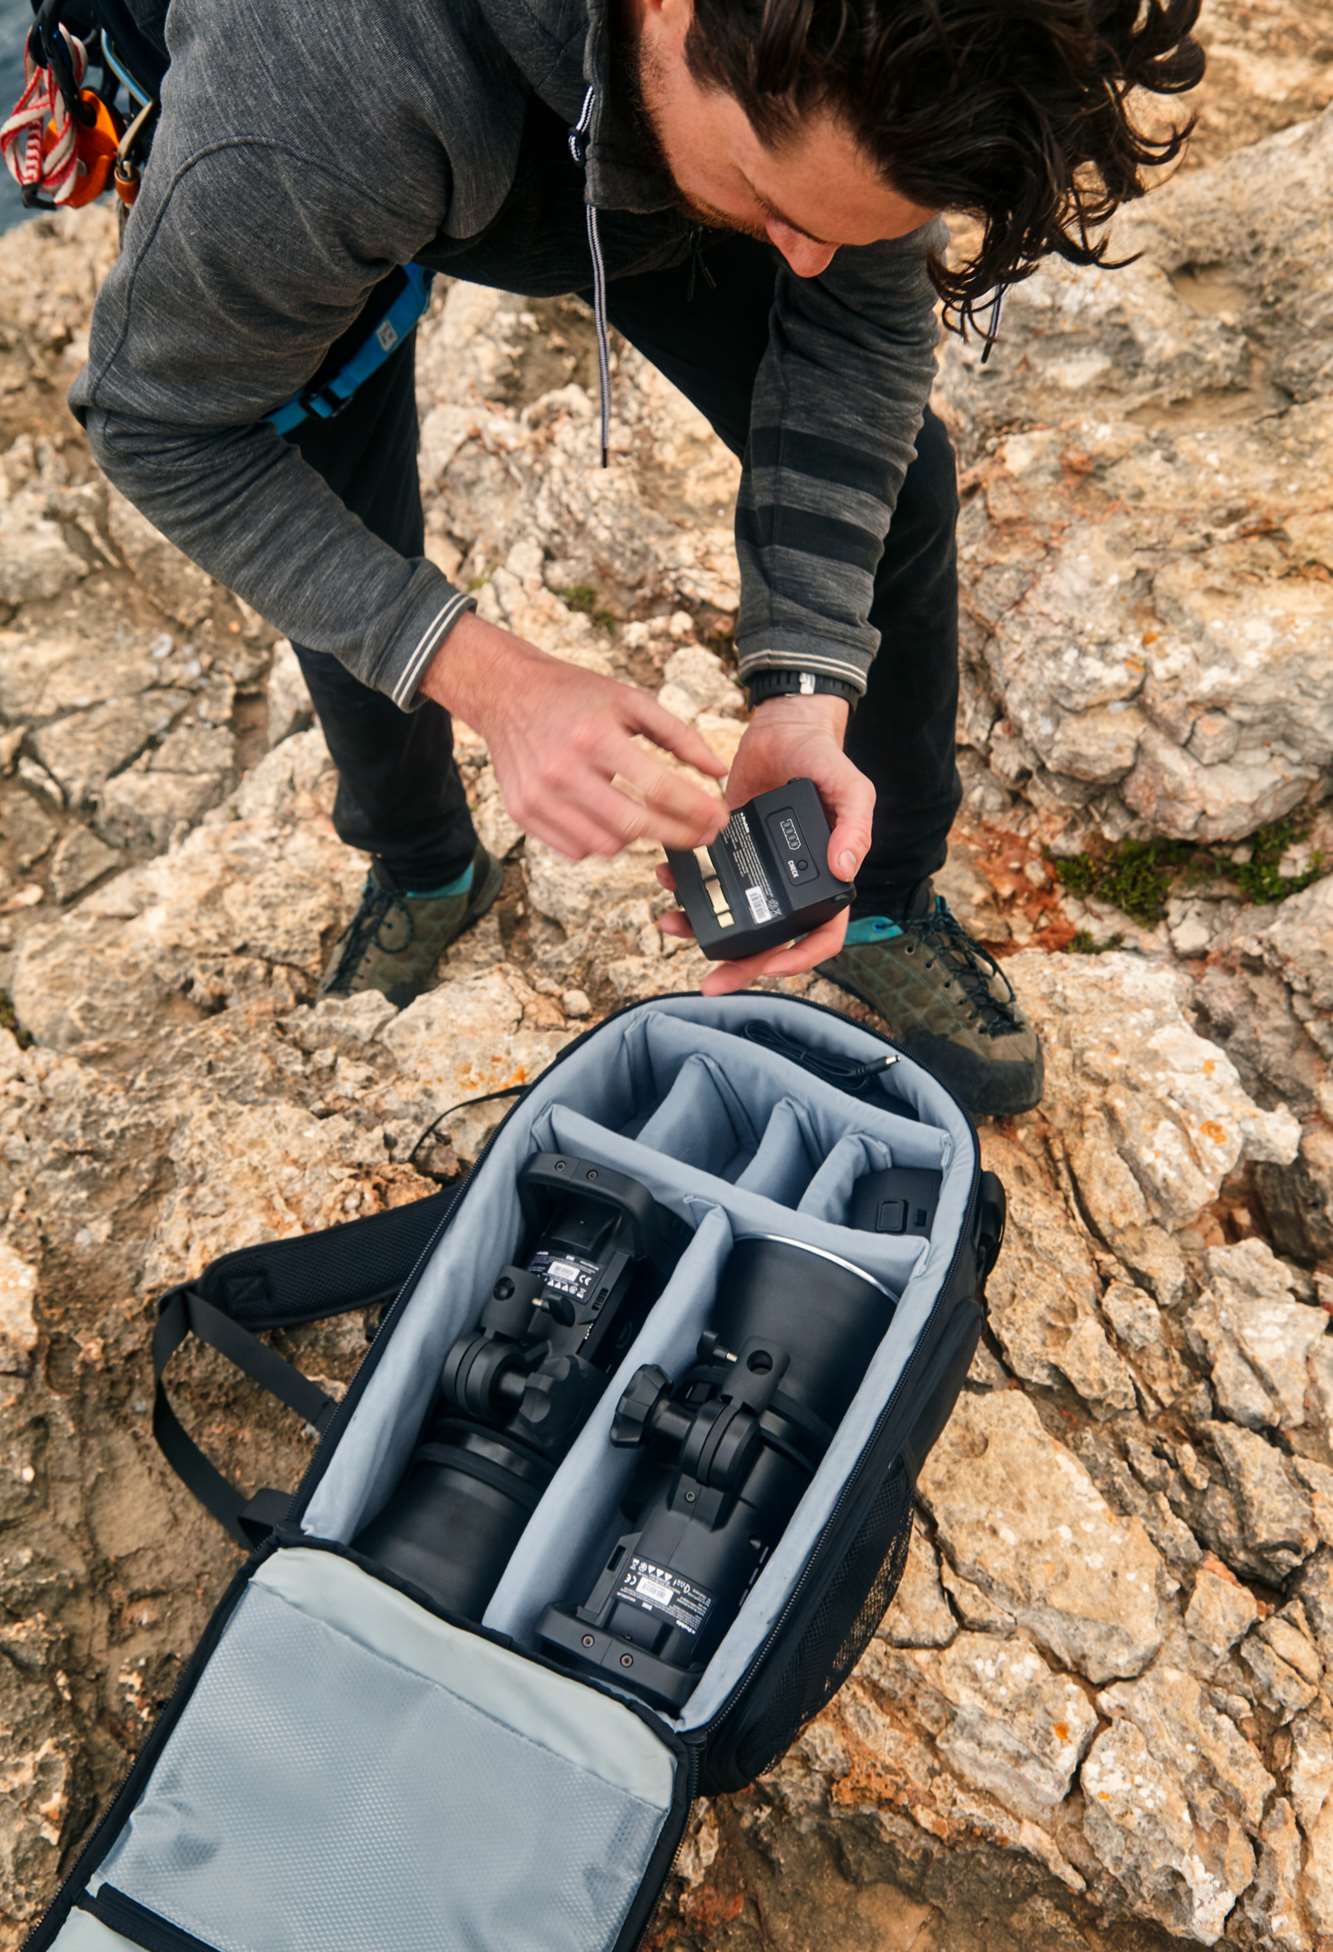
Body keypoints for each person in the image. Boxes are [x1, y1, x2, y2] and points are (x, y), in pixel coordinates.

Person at [70, 0, 1202, 1117]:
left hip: (641, 122)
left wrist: (805, 691)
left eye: (850, 225)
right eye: (780, 205)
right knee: (328, 506)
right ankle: (424, 865)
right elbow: (163, 423)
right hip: (350, 125)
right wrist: (493, 680)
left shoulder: (853, 49)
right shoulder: (314, 100)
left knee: (895, 477)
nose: (809, 259)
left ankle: (879, 897)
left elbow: (854, 331)